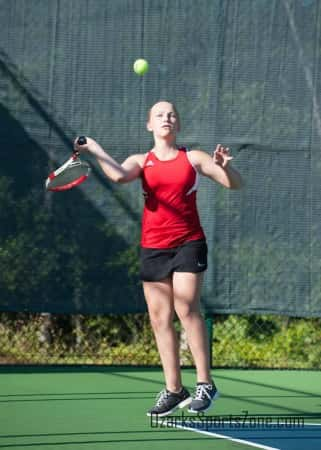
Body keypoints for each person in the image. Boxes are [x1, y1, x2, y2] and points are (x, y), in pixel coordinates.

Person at [74, 101, 243, 417]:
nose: (167, 117)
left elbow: (234, 184)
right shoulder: (142, 160)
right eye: (160, 115)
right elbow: (120, 175)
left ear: (177, 124)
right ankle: (174, 389)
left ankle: (205, 384)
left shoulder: (192, 158)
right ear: (149, 125)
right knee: (159, 317)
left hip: (188, 243)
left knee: (186, 307)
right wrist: (94, 149)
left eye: (172, 114)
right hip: (153, 248)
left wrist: (226, 166)